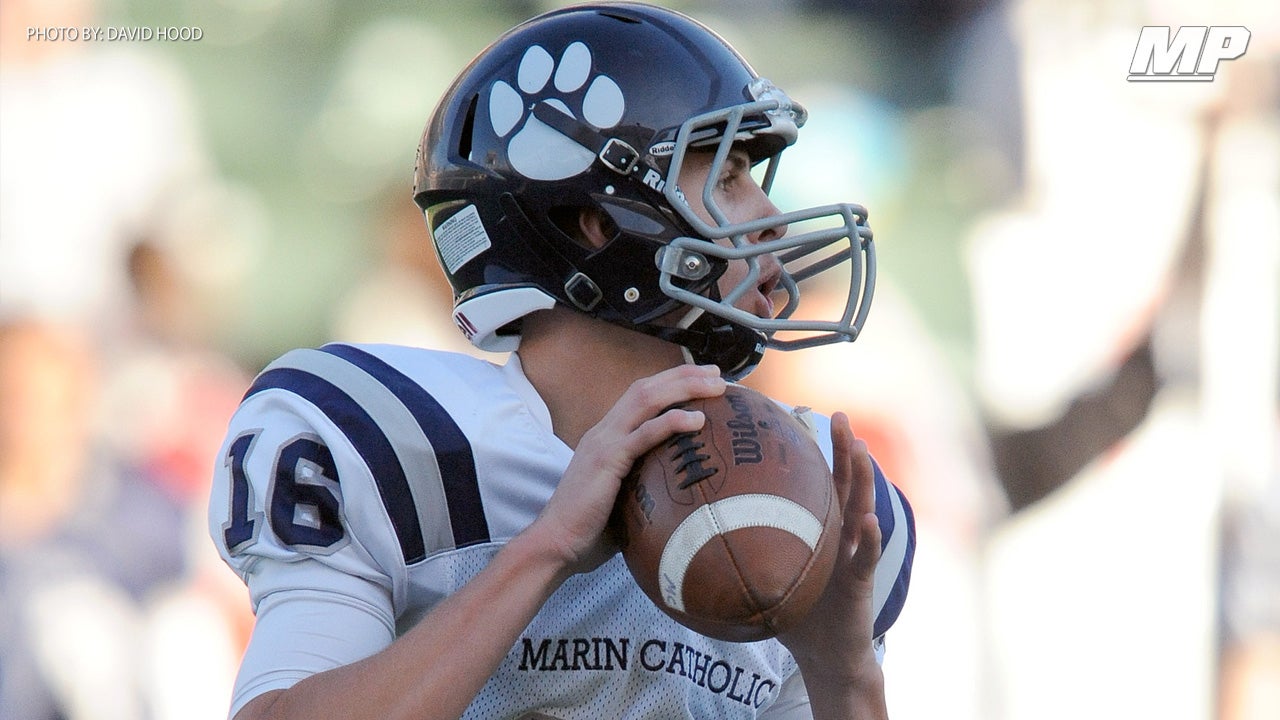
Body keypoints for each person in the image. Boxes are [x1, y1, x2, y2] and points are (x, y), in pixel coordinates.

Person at [208, 4, 914, 719]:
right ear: (601, 224)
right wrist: (546, 550)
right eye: (730, 174)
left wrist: (844, 675)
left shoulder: (804, 492)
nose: (768, 210)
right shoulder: (389, 445)